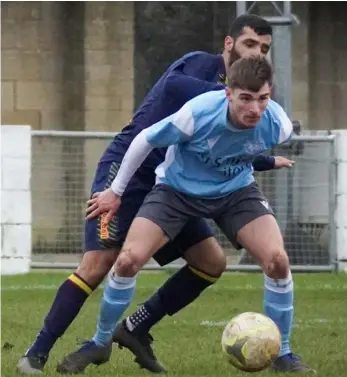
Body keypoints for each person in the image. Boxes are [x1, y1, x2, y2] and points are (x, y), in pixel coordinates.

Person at [17, 15, 297, 375]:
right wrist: (233, 100)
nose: (256, 53)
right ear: (229, 45)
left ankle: (135, 328)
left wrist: (261, 152)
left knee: (211, 263)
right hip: (131, 171)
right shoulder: (202, 69)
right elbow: (175, 91)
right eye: (249, 45)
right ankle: (36, 353)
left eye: (264, 49)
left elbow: (223, 145)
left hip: (180, 180)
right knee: (101, 262)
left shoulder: (251, 104)